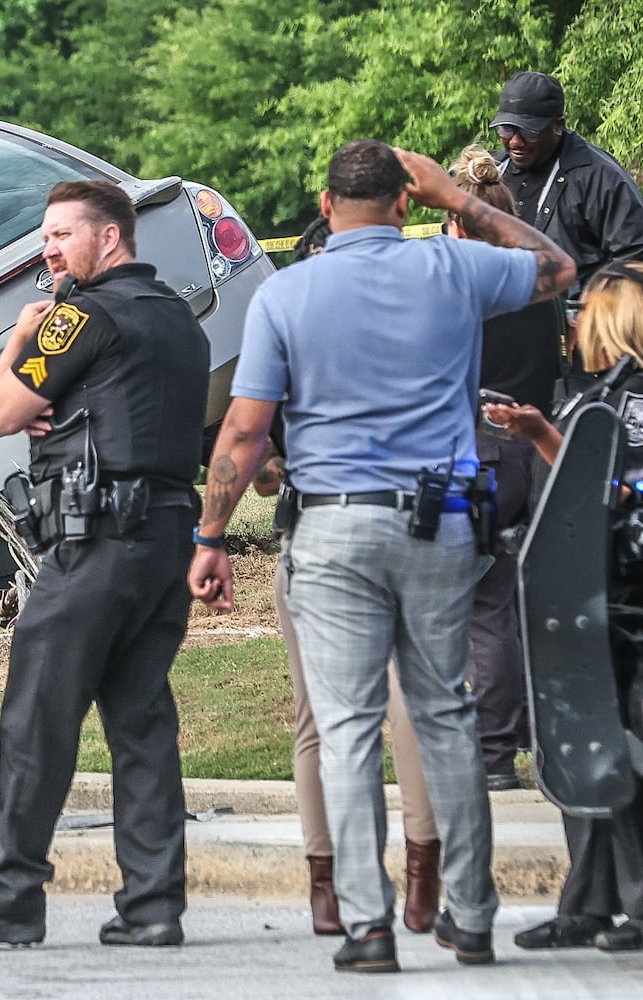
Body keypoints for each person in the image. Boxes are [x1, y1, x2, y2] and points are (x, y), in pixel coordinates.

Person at [189, 139, 575, 974]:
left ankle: (368, 926)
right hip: (440, 523)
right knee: (444, 715)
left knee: (347, 727)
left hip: (331, 529)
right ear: (408, 204)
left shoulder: (287, 293)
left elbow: (247, 431)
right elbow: (558, 270)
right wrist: (463, 203)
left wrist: (211, 535)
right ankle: (471, 916)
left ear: (326, 210)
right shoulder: (453, 268)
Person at [0, 180, 209, 948]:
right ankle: (153, 907)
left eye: (61, 235)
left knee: (37, 719)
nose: (48, 251)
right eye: (45, 238)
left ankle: (10, 897)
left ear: (108, 238)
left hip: (97, 543)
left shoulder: (81, 315)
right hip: (166, 537)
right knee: (142, 722)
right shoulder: (176, 316)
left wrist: (20, 340)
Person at [486, 261, 643, 952]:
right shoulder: (588, 391)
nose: (571, 322)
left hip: (616, 593)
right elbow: (580, 470)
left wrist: (550, 434)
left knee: (614, 748)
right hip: (571, 587)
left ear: (614, 315)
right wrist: (538, 430)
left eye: (583, 310)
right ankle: (591, 901)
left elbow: (621, 483)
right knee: (578, 748)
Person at [263, 216, 443, 937]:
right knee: (410, 707)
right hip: (406, 529)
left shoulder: (285, 341)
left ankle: (328, 886)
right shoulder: (412, 337)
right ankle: (421, 880)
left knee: (323, 719)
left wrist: (214, 532)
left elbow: (254, 453)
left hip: (313, 534)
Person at [442, 144, 564, 790]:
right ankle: (527, 736)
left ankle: (491, 758)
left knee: (479, 610)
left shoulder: (461, 285)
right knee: (517, 604)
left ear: (458, 222)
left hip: (478, 449)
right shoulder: (533, 282)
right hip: (535, 447)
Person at [491, 71, 643, 300]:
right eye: (507, 129)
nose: (515, 141)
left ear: (558, 126)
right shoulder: (492, 171)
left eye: (528, 131)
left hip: (583, 326)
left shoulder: (599, 177)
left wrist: (590, 312)